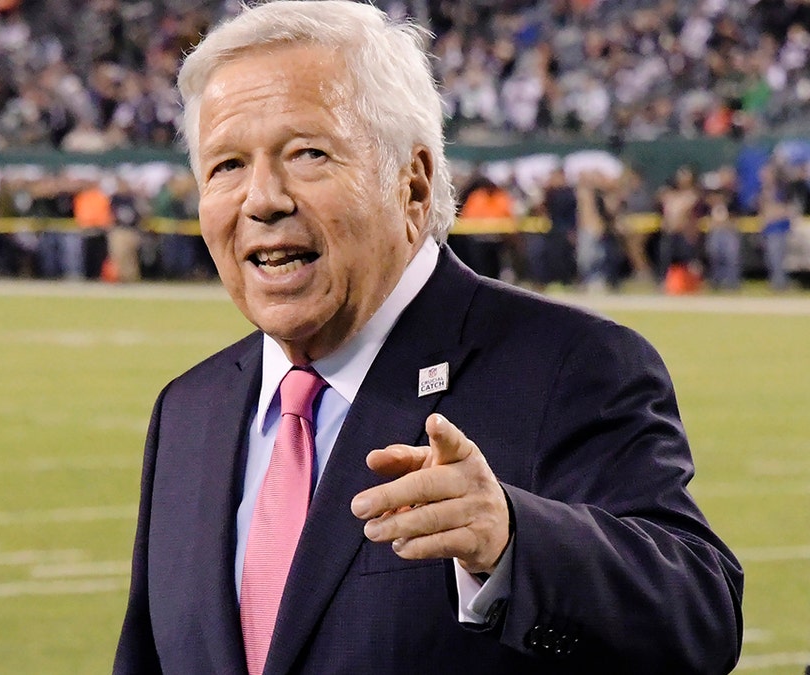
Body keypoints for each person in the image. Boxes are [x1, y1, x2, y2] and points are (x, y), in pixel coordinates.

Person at [114, 3, 743, 675]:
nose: (262, 198)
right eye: (227, 165)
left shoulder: (568, 364)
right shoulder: (189, 409)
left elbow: (700, 612)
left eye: (308, 153)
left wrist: (513, 541)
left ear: (412, 184)